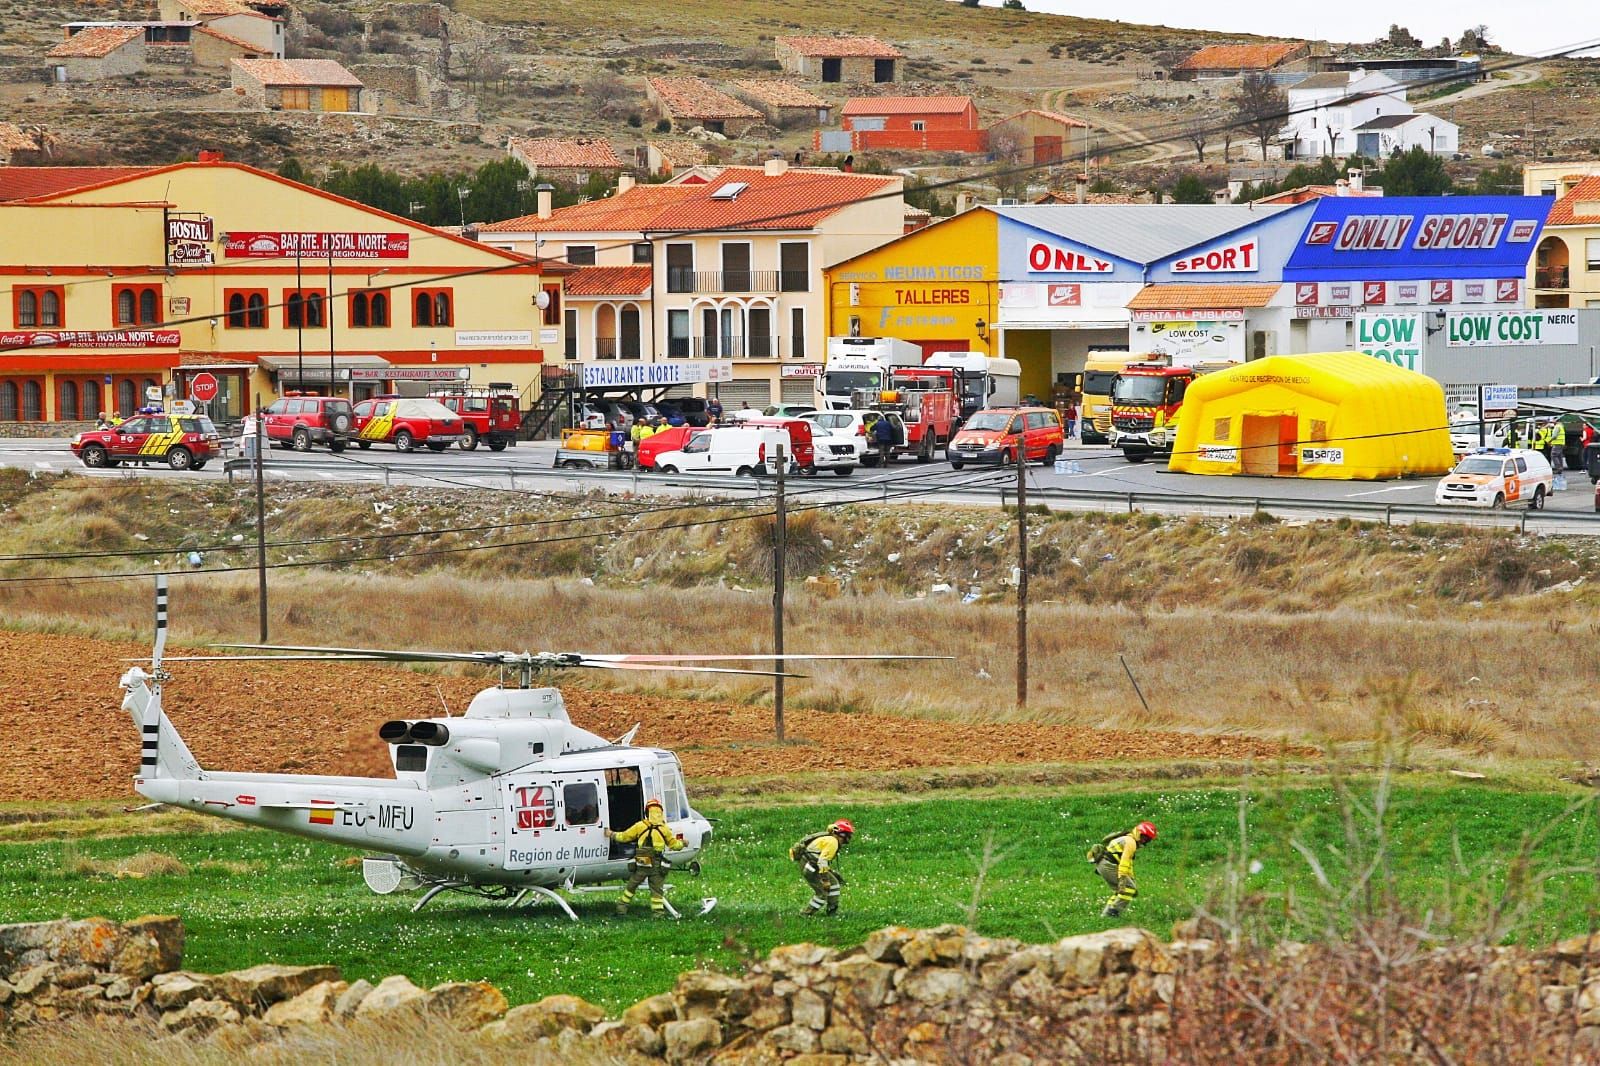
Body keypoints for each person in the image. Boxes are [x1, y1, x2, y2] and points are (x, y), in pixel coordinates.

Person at [606, 799, 684, 917]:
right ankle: (658, 914)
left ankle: (621, 910)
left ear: (647, 812)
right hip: (657, 865)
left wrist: (611, 834)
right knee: (657, 891)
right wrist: (683, 843)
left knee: (631, 886)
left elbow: (624, 837)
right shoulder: (664, 829)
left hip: (642, 863)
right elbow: (675, 846)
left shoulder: (640, 826)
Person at [1087, 821, 1157, 918]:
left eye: (1147, 839)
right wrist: (1123, 878)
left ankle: (1106, 915)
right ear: (1138, 832)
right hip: (1108, 864)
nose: (1144, 840)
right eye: (1144, 837)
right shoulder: (1131, 842)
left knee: (1121, 890)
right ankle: (1113, 913)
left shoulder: (1128, 839)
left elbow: (1129, 864)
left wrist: (1131, 880)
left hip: (1104, 864)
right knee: (1128, 889)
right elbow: (1124, 861)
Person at [791, 819, 853, 916]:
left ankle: (832, 910)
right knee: (823, 892)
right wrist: (825, 880)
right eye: (848, 835)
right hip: (810, 866)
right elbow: (822, 861)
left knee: (835, 883)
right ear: (843, 834)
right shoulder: (833, 842)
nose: (849, 838)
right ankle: (806, 914)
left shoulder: (829, 838)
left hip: (810, 863)